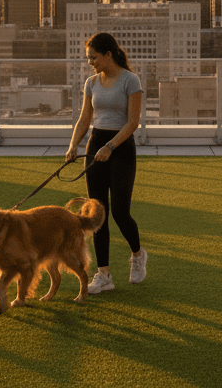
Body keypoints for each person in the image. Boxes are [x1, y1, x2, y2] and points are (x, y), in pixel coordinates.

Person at [64, 32, 146, 293]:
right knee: (96, 214)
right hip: (95, 145)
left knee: (121, 212)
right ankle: (103, 275)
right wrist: (73, 145)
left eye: (94, 58)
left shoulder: (130, 80)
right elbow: (84, 119)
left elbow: (133, 122)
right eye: (88, 58)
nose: (90, 63)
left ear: (108, 55)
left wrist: (110, 146)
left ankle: (137, 254)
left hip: (120, 148)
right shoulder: (91, 83)